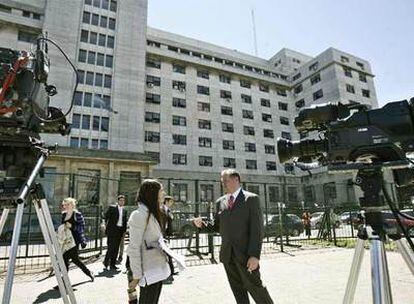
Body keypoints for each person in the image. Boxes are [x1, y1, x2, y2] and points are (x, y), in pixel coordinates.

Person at [193, 169, 273, 304]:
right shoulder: (220, 202)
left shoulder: (251, 199)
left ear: (236, 179)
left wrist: (254, 255)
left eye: (226, 180)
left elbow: (257, 230)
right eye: (222, 181)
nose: (223, 183)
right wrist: (202, 225)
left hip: (246, 255)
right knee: (238, 291)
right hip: (228, 256)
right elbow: (217, 226)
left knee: (256, 288)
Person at [126, 179, 171, 304]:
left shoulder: (154, 213)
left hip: (157, 267)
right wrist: (136, 275)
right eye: (161, 190)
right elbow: (133, 248)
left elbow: (152, 238)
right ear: (152, 193)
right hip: (148, 271)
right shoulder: (138, 215)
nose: (163, 193)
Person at [60, 197, 94, 282]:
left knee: (74, 260)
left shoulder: (77, 214)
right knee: (65, 259)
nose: (66, 206)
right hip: (66, 240)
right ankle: (64, 281)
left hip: (75, 240)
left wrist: (72, 226)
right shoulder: (64, 215)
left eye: (68, 204)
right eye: (65, 205)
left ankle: (88, 272)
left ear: (72, 205)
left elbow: (82, 227)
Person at [104, 194, 128, 270]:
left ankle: (113, 264)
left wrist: (124, 231)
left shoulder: (125, 210)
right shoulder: (112, 208)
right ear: (118, 201)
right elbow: (106, 216)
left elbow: (124, 221)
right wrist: (104, 225)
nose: (122, 202)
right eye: (120, 200)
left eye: (123, 201)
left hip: (120, 231)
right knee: (111, 247)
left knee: (116, 248)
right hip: (112, 231)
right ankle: (106, 261)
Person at [160, 195, 175, 284]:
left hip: (165, 234)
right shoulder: (161, 209)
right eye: (171, 202)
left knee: (167, 252)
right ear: (166, 201)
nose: (172, 204)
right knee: (166, 253)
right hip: (161, 234)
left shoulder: (168, 210)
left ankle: (170, 271)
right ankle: (170, 271)